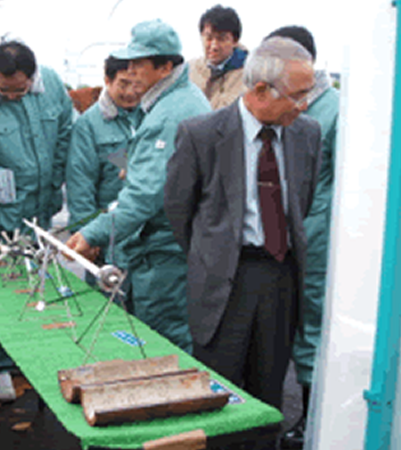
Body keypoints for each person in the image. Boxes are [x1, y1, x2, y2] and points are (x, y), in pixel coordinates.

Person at [164, 37, 321, 446]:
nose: (304, 104)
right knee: (220, 396)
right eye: (298, 95)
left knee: (267, 397)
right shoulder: (201, 134)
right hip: (224, 283)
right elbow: (180, 212)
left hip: (281, 277)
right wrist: (211, 257)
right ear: (260, 91)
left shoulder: (307, 134)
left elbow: (297, 204)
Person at [66, 20, 211, 356]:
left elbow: (146, 194)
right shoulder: (170, 103)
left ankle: (174, 407)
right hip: (161, 245)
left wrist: (92, 234)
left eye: (137, 63)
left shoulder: (171, 112)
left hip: (164, 251)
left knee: (163, 341)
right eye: (127, 64)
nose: (130, 72)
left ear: (164, 66)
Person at [0, 40, 73, 401]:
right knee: (1, 291)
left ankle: (27, 354)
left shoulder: (50, 85)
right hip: (1, 214)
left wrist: (55, 188)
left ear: (32, 76)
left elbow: (67, 135)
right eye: (5, 91)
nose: (14, 95)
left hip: (42, 210)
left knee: (37, 287)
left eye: (20, 88)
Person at [264, 26, 339, 450]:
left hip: (317, 239)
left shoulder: (331, 109)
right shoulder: (289, 106)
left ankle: (313, 421)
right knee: (290, 327)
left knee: (311, 326)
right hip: (290, 236)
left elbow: (335, 187)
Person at [66, 55, 142, 276]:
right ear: (107, 81)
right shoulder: (88, 125)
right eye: (123, 84)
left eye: (136, 84)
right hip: (107, 237)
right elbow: (80, 184)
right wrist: (87, 233)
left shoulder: (151, 116)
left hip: (144, 235)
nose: (130, 92)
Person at [189, 4, 247, 110]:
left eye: (221, 39)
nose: (214, 46)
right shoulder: (190, 69)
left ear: (235, 41)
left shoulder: (249, 75)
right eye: (209, 38)